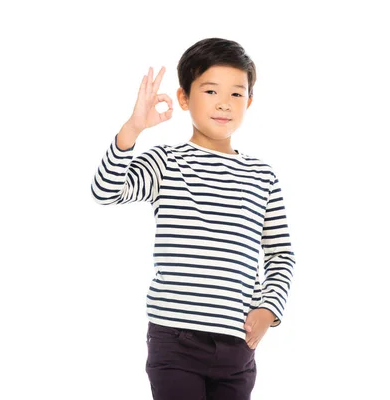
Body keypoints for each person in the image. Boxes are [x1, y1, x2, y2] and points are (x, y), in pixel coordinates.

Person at [90, 37, 296, 400]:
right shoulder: (167, 161)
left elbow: (280, 254)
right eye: (211, 90)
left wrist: (268, 309)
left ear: (249, 101)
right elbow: (106, 190)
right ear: (184, 98)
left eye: (236, 94)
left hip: (237, 343)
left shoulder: (262, 176)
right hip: (176, 340)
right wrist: (133, 129)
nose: (224, 103)